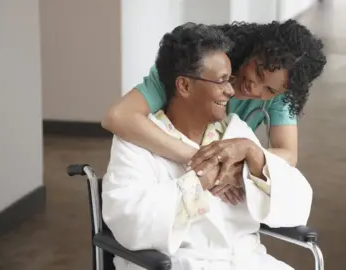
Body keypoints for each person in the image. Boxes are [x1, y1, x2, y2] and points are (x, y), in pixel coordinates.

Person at [101, 23, 313, 270]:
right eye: (223, 80)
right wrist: (199, 176)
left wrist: (254, 157)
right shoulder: (136, 143)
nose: (231, 91)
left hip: (246, 261)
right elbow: (130, 222)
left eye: (269, 89)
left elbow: (299, 202)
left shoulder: (235, 134)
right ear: (185, 86)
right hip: (181, 263)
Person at [101, 20, 326, 203]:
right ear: (254, 50)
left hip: (220, 193)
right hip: (167, 175)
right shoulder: (194, 62)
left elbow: (288, 155)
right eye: (257, 72)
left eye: (269, 89)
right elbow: (118, 117)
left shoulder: (279, 96)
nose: (255, 88)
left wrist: (247, 150)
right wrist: (205, 159)